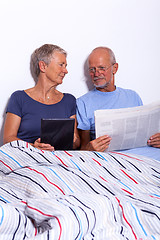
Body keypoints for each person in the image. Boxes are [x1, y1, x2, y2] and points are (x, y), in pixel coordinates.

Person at [76, 46, 160, 153]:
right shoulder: (83, 103)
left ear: (114, 68)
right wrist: (90, 149)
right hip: (113, 160)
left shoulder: (133, 96)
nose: (96, 74)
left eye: (102, 68)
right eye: (92, 69)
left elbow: (146, 134)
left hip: (145, 154)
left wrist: (156, 139)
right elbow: (83, 148)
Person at [3, 44, 80, 151]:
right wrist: (33, 147)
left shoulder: (69, 100)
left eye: (65, 66)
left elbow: (76, 142)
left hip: (59, 160)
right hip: (27, 157)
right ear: (43, 66)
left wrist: (73, 140)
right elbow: (8, 139)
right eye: (61, 65)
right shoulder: (19, 98)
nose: (65, 71)